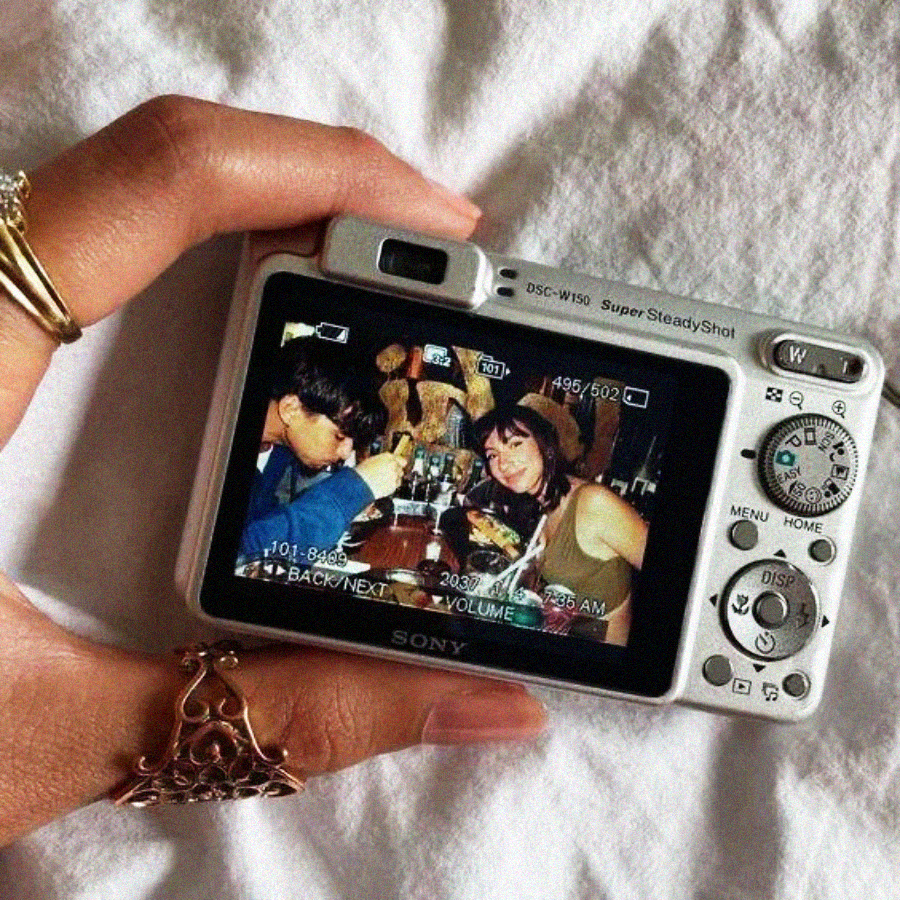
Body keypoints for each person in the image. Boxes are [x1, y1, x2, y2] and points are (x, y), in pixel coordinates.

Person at [0, 96, 546, 847]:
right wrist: (357, 486)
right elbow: (255, 549)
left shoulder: (273, 454)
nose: (351, 446)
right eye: (343, 431)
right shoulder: (270, 461)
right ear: (290, 409)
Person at [471, 405, 648, 639]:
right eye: (493, 454)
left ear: (545, 446)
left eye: (515, 444)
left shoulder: (594, 503)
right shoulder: (535, 503)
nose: (503, 463)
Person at [239, 336, 403, 562]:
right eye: (340, 436)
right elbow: (243, 556)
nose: (346, 453)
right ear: (291, 409)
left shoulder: (277, 453)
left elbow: (262, 522)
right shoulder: (216, 451)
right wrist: (349, 493)